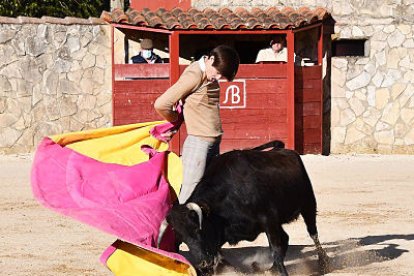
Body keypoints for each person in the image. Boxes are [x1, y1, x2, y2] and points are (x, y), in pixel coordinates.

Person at [154, 45, 240, 204]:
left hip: (210, 143)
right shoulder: (194, 75)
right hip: (198, 144)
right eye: (218, 72)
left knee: (207, 192)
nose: (219, 78)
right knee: (189, 193)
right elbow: (161, 104)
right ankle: (176, 228)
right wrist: (175, 121)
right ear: (211, 59)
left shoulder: (205, 73)